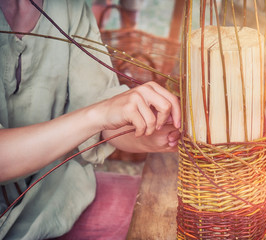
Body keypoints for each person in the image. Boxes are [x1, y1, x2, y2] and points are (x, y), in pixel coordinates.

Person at [0, 0, 180, 239]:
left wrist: (150, 131)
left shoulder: (70, 8)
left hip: (55, 197)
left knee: (167, 207)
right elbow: (99, 114)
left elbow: (103, 119)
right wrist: (101, 114)